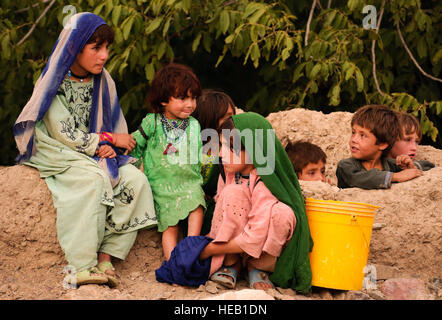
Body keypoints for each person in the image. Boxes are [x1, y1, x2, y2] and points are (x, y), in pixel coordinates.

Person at [13, 13, 157, 287]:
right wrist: (108, 140)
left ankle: (106, 258)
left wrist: (108, 146)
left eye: (106, 49)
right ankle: (81, 266)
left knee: (136, 181)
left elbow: (116, 124)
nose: (103, 56)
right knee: (94, 180)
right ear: (74, 47)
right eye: (96, 48)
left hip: (94, 151)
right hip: (59, 150)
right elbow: (63, 133)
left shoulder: (105, 81)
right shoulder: (54, 82)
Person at [199, 112, 313, 293]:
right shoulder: (228, 173)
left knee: (282, 214)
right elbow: (221, 213)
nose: (221, 154)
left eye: (229, 148)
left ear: (254, 150)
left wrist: (210, 249)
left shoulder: (264, 181)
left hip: (258, 244)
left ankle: (257, 267)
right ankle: (232, 263)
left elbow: (256, 235)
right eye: (221, 145)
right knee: (231, 193)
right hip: (236, 244)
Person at [130, 63, 206, 261]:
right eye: (183, 98)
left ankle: (191, 249)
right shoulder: (152, 122)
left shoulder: (194, 125)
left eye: (193, 98)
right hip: (162, 186)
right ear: (163, 100)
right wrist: (136, 167)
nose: (190, 104)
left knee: (197, 204)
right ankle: (173, 265)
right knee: (170, 227)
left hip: (189, 182)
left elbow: (198, 156)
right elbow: (134, 143)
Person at [336, 105, 434, 189]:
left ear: (382, 144)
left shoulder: (389, 165)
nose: (354, 139)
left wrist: (411, 167)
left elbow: (429, 166)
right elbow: (358, 178)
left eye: (363, 135)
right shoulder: (346, 166)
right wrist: (394, 177)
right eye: (353, 133)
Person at [192, 89, 236, 235]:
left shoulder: (234, 147)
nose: (233, 122)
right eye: (227, 117)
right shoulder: (194, 150)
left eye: (233, 116)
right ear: (210, 118)